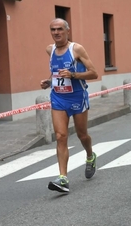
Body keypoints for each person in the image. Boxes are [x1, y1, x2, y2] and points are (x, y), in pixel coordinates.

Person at [40, 18, 98, 193]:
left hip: (77, 97)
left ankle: (90, 155)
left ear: (67, 31)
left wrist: (73, 75)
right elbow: (56, 73)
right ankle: (63, 178)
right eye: (53, 30)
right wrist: (48, 82)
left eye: (60, 29)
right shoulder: (49, 50)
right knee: (60, 136)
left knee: (82, 135)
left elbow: (94, 73)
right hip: (58, 98)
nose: (56, 32)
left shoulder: (76, 49)